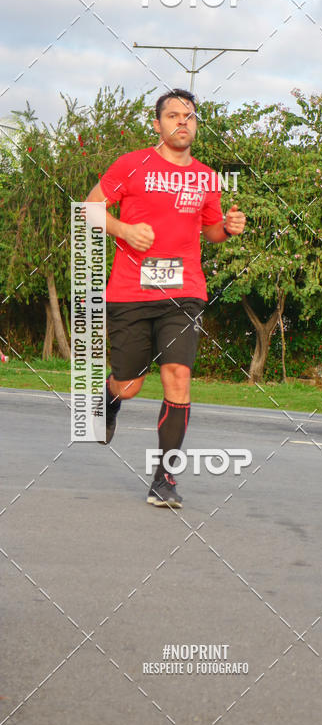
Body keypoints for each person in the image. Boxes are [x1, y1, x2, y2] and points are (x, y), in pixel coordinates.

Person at [84, 88, 246, 507]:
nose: (182, 122)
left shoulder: (207, 177)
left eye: (189, 116)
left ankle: (164, 478)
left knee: (178, 375)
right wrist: (125, 231)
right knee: (131, 385)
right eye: (173, 115)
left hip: (184, 291)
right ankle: (109, 399)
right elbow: (89, 208)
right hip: (130, 291)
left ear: (196, 124)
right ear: (157, 124)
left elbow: (210, 230)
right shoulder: (132, 164)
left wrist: (226, 227)